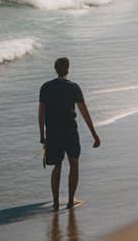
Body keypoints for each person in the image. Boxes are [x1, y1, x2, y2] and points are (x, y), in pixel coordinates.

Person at [39, 57, 101, 211]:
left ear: (55, 69)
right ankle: (70, 201)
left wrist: (42, 135)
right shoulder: (74, 87)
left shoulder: (45, 87)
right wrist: (94, 134)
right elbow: (84, 112)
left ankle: (55, 203)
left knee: (57, 167)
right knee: (74, 163)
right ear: (67, 69)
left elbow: (41, 113)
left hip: (52, 133)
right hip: (70, 132)